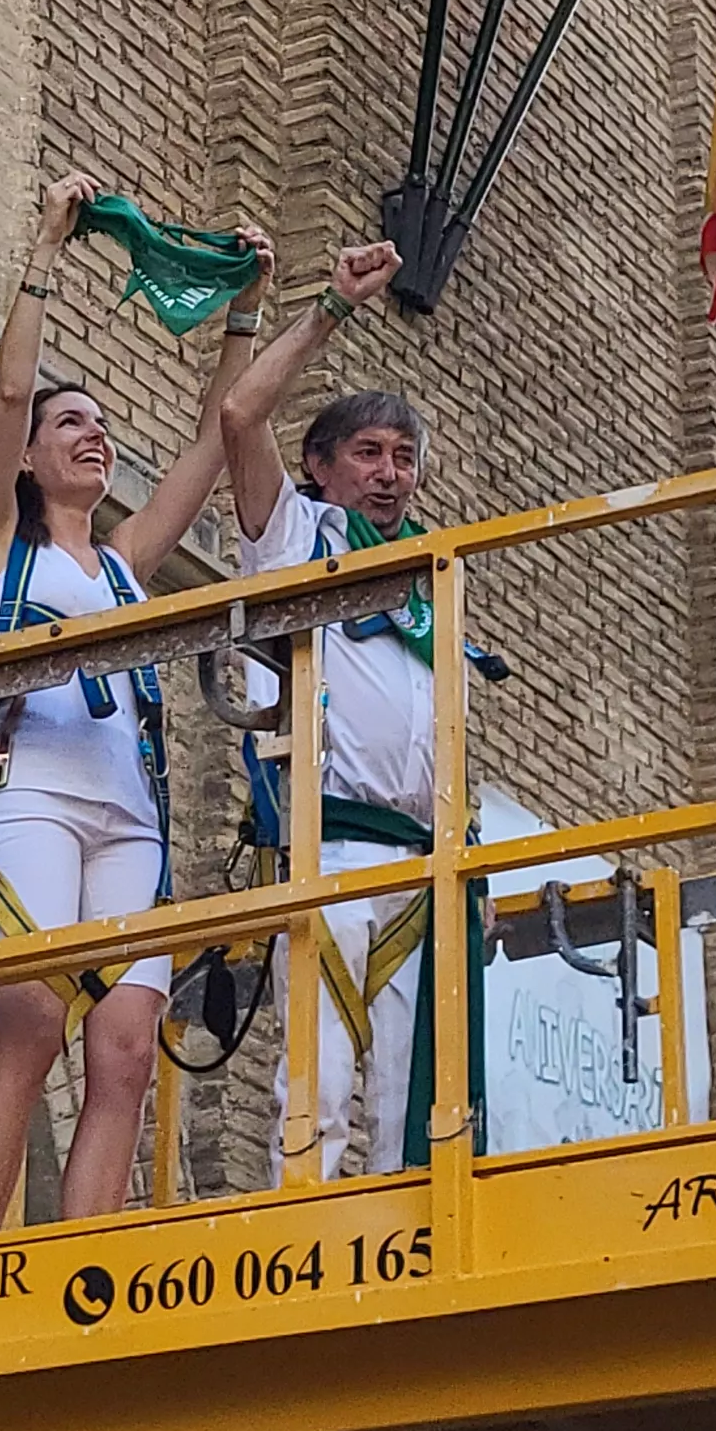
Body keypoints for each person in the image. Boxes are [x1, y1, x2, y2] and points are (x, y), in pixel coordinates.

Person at [0, 178, 379, 1232]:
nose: (89, 435)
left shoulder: (129, 563)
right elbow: (4, 401)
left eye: (100, 423)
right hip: (37, 792)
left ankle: (81, 1255)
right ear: (35, 455)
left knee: (129, 1047)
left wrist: (258, 308)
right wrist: (45, 253)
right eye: (71, 424)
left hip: (128, 816)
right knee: (32, 1019)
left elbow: (215, 440)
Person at [211, 265, 442, 1181]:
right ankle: (303, 1243)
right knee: (319, 1079)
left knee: (413, 1099)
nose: (391, 474)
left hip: (425, 862)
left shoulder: (432, 571)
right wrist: (331, 310)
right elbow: (239, 417)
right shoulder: (302, 536)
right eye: (370, 454)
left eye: (403, 457)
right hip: (333, 844)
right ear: (321, 464)